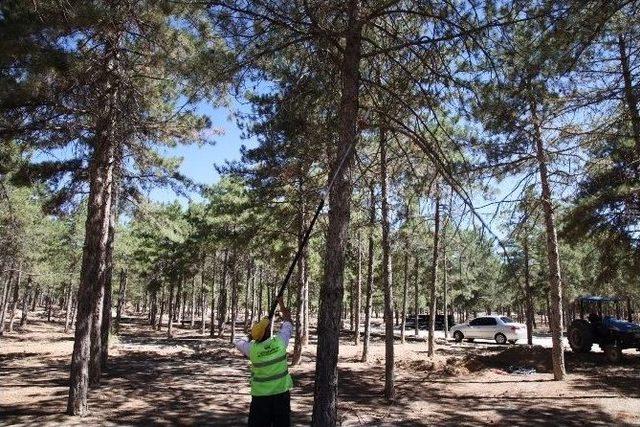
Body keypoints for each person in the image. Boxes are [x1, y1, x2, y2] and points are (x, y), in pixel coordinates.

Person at [234, 297, 293, 427]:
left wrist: (251, 335)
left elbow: (237, 342)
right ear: (268, 331)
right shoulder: (280, 343)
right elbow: (288, 321)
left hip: (260, 398)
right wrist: (282, 304)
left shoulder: (252, 350)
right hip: (281, 395)